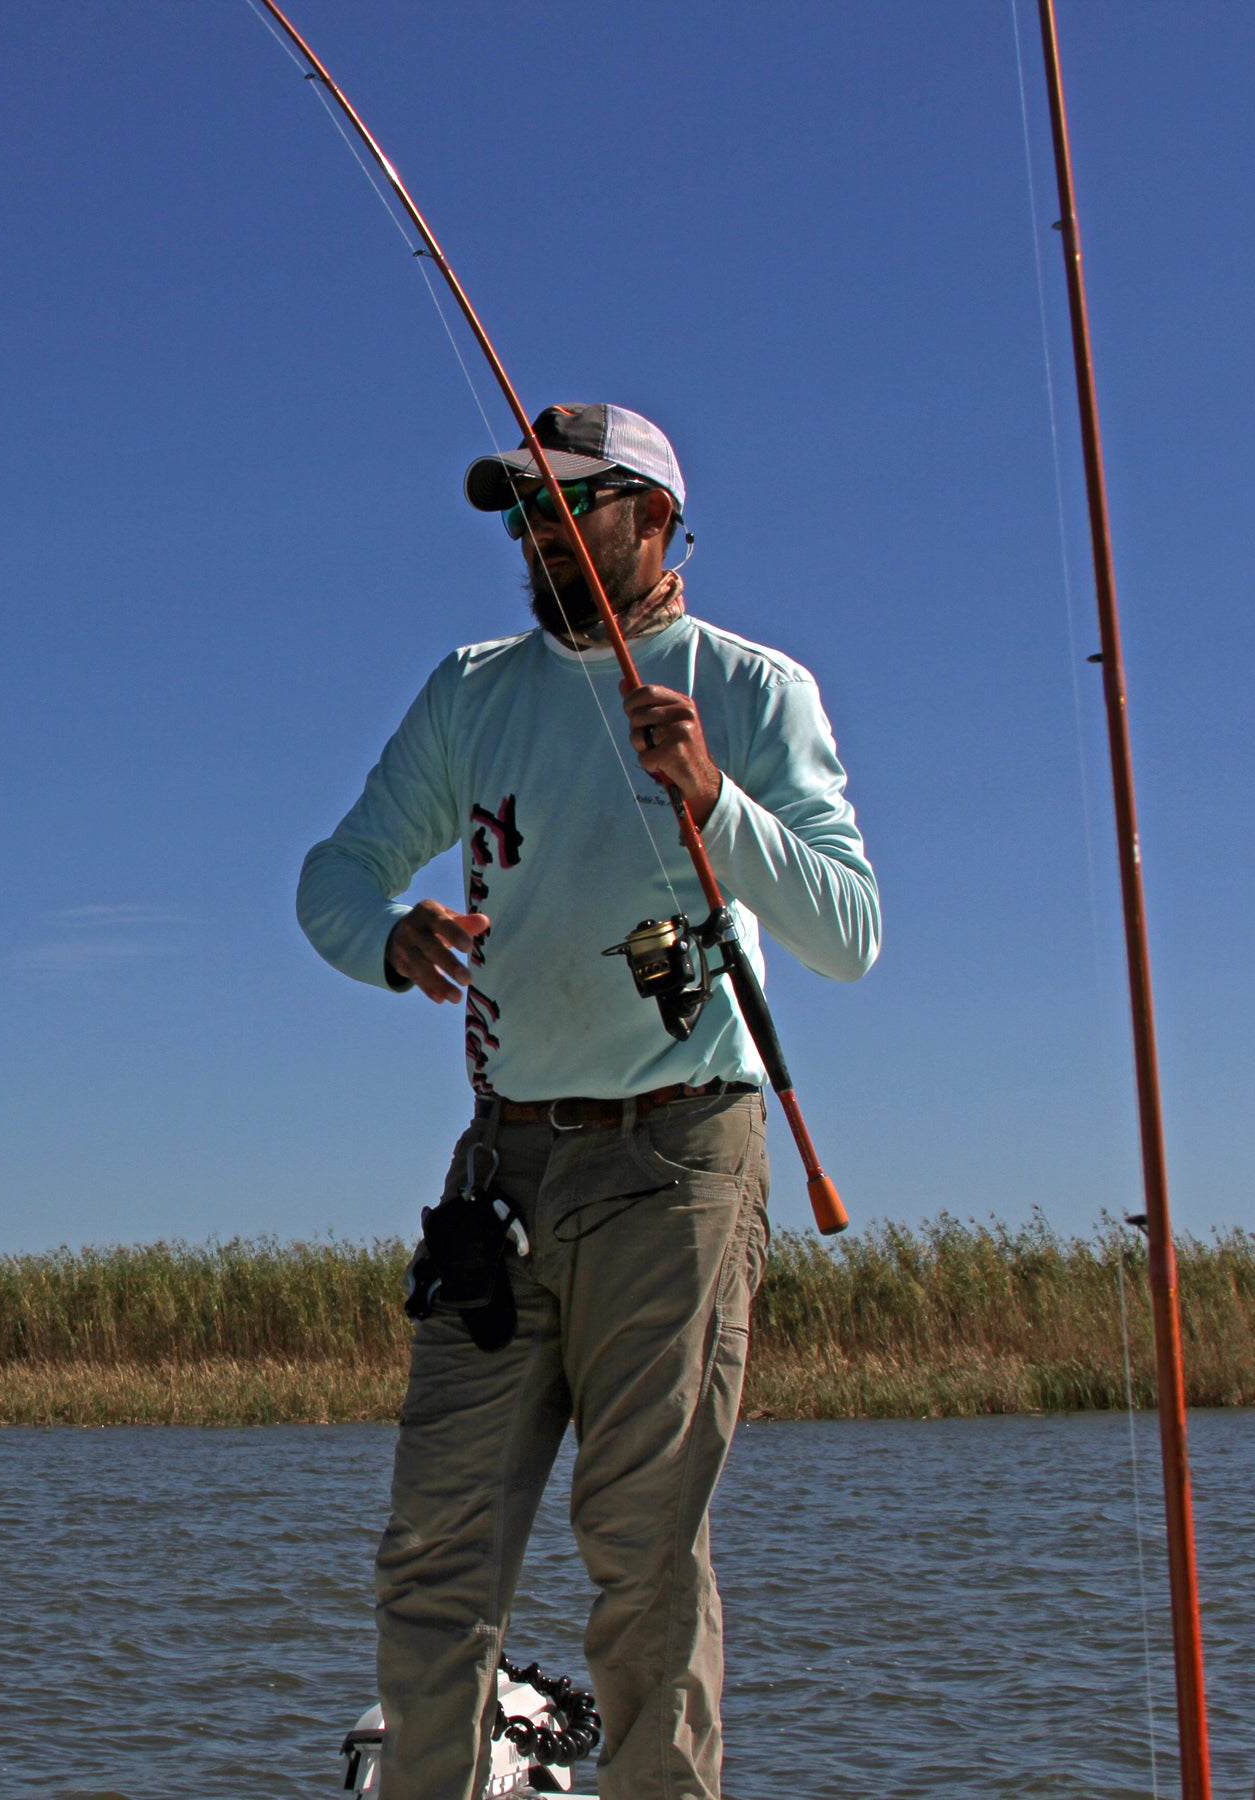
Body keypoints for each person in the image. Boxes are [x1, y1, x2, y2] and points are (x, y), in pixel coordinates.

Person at [296, 403, 879, 1799]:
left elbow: (849, 929)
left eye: (566, 509)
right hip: (499, 1179)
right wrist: (385, 938)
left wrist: (714, 800)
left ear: (655, 522)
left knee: (642, 1555)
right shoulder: (472, 691)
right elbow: (332, 872)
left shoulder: (750, 688)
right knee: (431, 1559)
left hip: (678, 1164)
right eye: (520, 514)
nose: (535, 536)